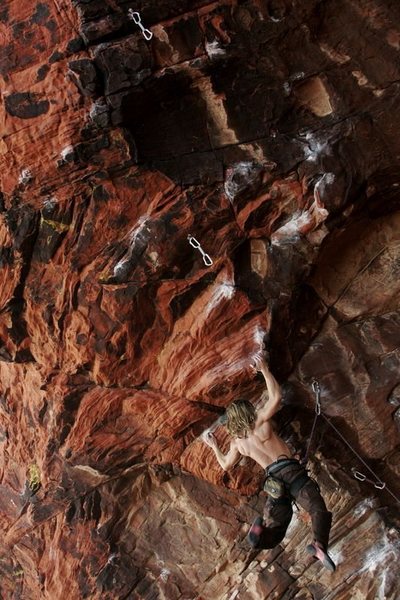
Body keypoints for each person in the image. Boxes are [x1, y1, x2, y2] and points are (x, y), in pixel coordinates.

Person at [202, 357, 336, 572]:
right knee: (317, 508)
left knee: (278, 528)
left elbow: (226, 465)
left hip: (273, 482)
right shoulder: (260, 422)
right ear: (248, 411)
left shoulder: (238, 443)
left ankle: (260, 535)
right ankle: (319, 544)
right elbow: (276, 397)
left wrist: (213, 446)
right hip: (292, 473)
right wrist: (264, 368)